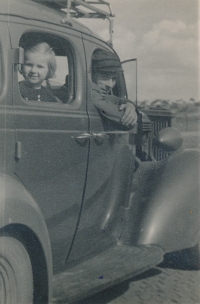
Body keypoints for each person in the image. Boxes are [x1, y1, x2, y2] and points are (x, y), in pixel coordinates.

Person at [91, 49, 138, 128]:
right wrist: (131, 114)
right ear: (92, 75)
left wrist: (129, 105)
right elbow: (125, 119)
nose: (110, 85)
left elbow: (114, 99)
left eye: (113, 79)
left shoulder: (98, 94)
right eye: (105, 77)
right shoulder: (90, 93)